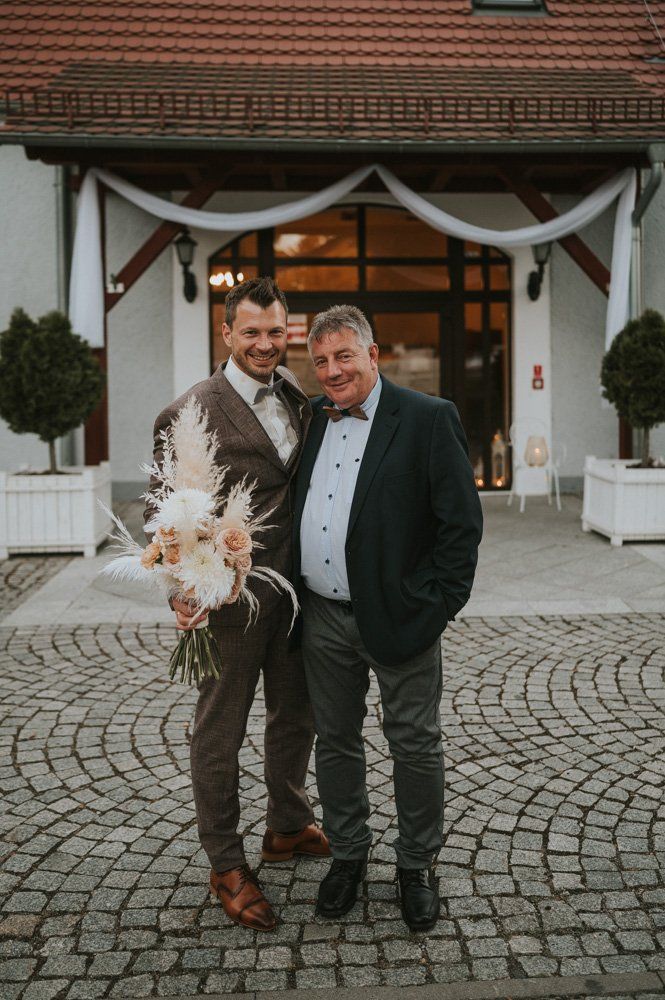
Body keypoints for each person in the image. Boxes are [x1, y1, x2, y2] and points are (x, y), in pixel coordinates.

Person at [145, 277, 329, 933]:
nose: (264, 344)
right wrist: (180, 589)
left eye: (275, 331)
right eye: (251, 332)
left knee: (295, 713)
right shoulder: (190, 408)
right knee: (219, 729)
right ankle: (225, 861)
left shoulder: (295, 397)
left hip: (298, 595)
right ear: (225, 334)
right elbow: (161, 510)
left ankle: (287, 823)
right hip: (226, 599)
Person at [292, 304, 482, 932]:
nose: (332, 370)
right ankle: (347, 855)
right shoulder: (314, 422)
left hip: (402, 616)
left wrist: (436, 606)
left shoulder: (428, 418)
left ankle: (416, 864)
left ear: (374, 355)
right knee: (336, 741)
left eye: (344, 355)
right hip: (323, 616)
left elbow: (461, 525)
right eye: (320, 361)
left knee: (415, 744)